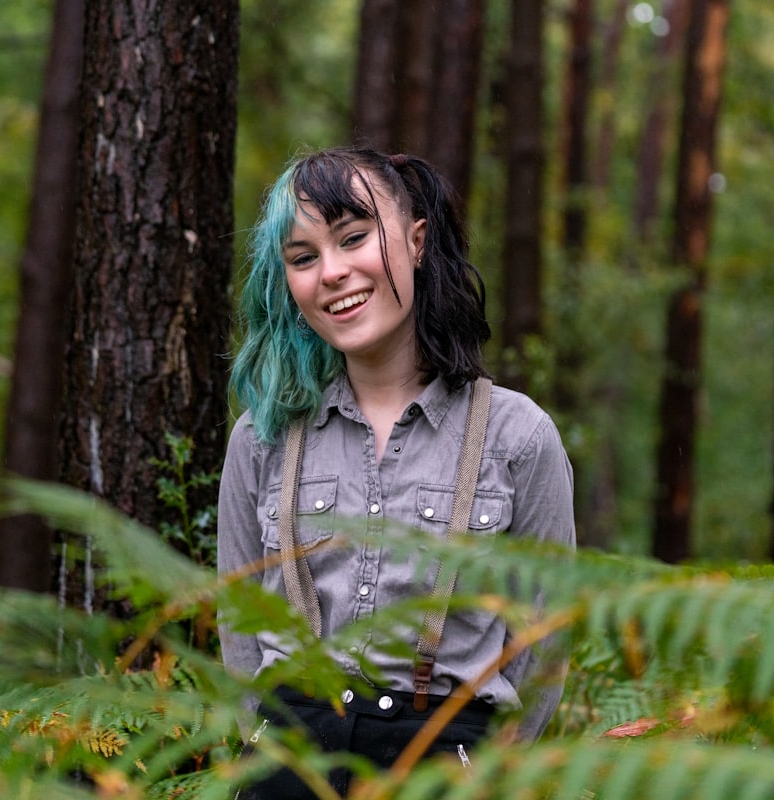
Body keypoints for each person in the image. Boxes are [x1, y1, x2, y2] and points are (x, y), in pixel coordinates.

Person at [217, 146, 575, 798]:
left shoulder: (518, 437)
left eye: (354, 238)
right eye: (302, 257)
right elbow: (238, 622)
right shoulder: (261, 437)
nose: (332, 272)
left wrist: (487, 775)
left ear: (415, 242)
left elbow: (545, 639)